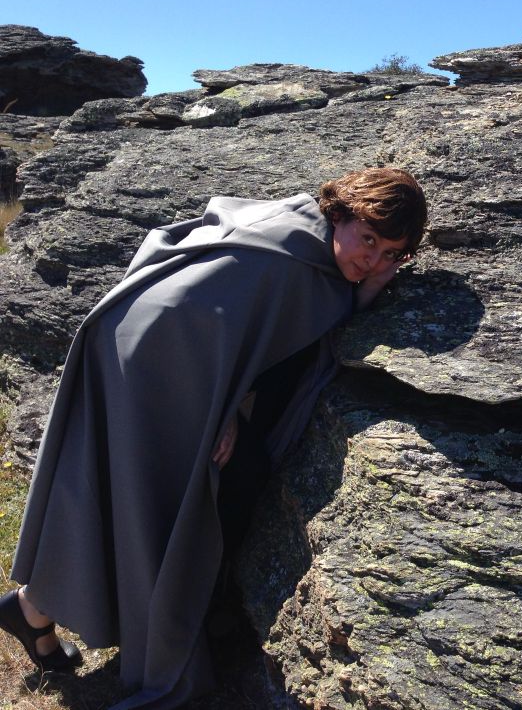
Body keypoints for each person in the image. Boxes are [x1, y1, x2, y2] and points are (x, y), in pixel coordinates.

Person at [0, 167, 427, 709]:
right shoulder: (285, 256)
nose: (373, 260)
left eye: (392, 253)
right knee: (160, 502)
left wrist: (362, 292)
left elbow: (258, 329)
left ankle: (35, 611)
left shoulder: (305, 244)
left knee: (138, 496)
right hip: (156, 365)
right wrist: (220, 402)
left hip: (157, 357)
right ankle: (73, 615)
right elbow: (196, 311)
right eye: (368, 239)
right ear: (339, 212)